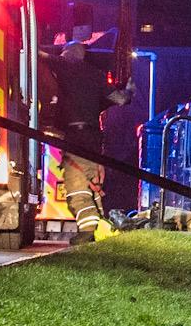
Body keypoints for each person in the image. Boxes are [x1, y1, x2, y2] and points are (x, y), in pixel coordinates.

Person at [49, 40, 133, 244]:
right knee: (91, 183)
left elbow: (36, 55)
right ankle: (99, 228)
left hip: (75, 138)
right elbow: (120, 100)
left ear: (68, 52)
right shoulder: (96, 75)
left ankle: (87, 231)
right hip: (93, 140)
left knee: (76, 185)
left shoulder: (63, 65)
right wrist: (129, 90)